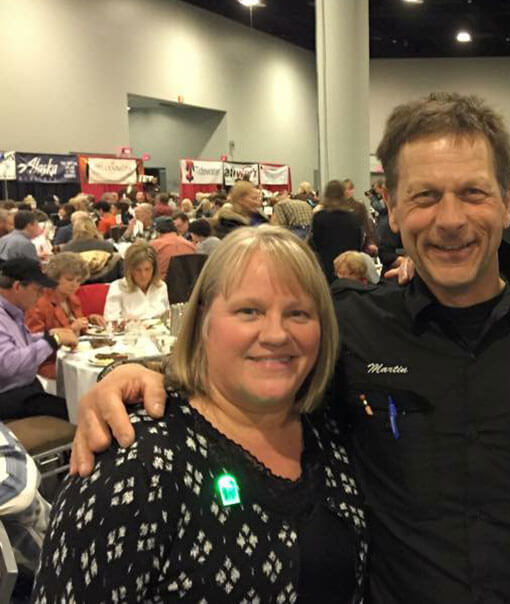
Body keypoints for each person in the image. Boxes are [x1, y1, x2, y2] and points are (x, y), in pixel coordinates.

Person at [71, 91, 510, 604]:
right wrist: (142, 376)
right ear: (391, 209)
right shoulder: (348, 328)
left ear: (508, 202)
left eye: (472, 192)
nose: (450, 219)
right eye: (424, 196)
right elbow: (256, 359)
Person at [33, 227, 366, 602]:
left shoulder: (332, 432)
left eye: (299, 313)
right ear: (204, 320)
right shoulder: (135, 462)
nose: (276, 333)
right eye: (249, 310)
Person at [0, 258, 77, 420]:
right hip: (9, 396)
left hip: (25, 390)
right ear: (17, 287)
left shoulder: (12, 311)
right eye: (38, 290)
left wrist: (46, 336)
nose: (42, 295)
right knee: (79, 412)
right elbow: (7, 364)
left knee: (78, 403)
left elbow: (19, 345)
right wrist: (52, 340)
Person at [25, 252, 105, 378]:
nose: (74, 284)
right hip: (50, 363)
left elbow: (79, 329)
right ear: (54, 278)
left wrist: (90, 320)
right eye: (69, 279)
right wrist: (71, 329)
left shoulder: (72, 298)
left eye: (78, 280)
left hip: (77, 355)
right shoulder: (39, 304)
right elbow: (33, 344)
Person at [311, 180, 365, 283]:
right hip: (350, 269)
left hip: (326, 267)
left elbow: (315, 244)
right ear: (343, 195)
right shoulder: (353, 218)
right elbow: (358, 243)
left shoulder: (319, 217)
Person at [103, 243, 169, 322]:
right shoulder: (117, 288)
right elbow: (110, 321)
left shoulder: (161, 286)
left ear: (154, 269)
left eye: (147, 269)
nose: (143, 275)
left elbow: (167, 317)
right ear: (130, 270)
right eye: (138, 270)